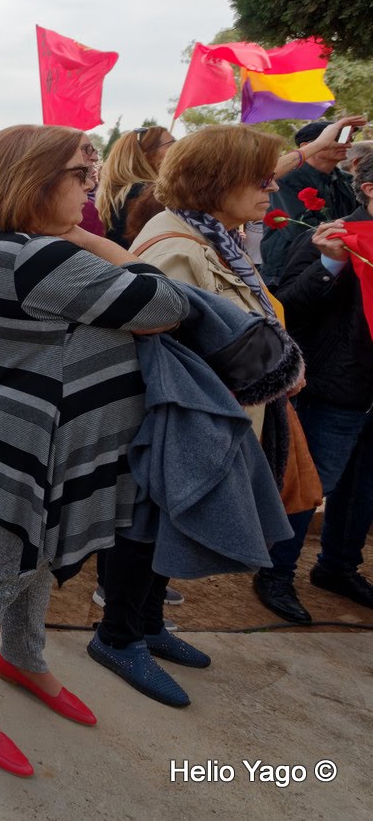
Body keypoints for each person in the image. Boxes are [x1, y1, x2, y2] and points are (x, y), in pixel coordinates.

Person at [0, 125, 188, 776]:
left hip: (34, 439)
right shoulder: (39, 257)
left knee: (39, 559)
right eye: (80, 174)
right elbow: (166, 301)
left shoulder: (11, 243)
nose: (91, 185)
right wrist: (85, 238)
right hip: (28, 446)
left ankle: (23, 658)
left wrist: (74, 234)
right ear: (34, 181)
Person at [132, 125, 314, 630]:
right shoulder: (179, 247)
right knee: (152, 535)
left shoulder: (211, 237)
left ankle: (144, 630)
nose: (271, 187)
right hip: (192, 427)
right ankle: (127, 638)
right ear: (217, 180)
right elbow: (170, 358)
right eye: (259, 179)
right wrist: (272, 373)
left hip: (216, 421)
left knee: (157, 544)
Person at [273, 152, 373, 610]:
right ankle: (276, 575)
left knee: (362, 488)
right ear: (369, 189)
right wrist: (329, 264)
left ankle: (337, 567)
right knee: (311, 486)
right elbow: (286, 306)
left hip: (368, 391)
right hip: (335, 386)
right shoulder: (330, 235)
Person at [261, 116, 368, 282]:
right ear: (307, 147)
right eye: (336, 138)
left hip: (336, 265)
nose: (347, 144)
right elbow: (298, 229)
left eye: (349, 138)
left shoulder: (346, 180)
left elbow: (361, 218)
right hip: (290, 270)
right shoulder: (284, 180)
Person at [97, 125, 176, 247]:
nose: (177, 148)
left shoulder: (120, 192)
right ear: (147, 156)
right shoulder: (145, 195)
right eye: (171, 144)